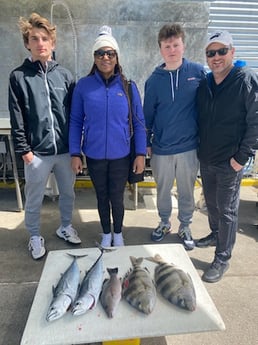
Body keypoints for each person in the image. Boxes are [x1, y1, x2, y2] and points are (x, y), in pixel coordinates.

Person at [8, 13, 81, 260]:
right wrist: (24, 150)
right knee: (34, 196)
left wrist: (75, 150)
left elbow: (74, 116)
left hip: (63, 151)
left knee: (68, 193)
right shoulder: (19, 76)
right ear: (27, 43)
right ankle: (35, 235)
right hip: (36, 152)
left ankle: (65, 227)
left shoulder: (66, 76)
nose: (40, 43)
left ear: (53, 43)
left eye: (45, 38)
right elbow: (16, 115)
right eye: (34, 39)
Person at [69, 25, 146, 247]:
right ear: (94, 57)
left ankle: (118, 233)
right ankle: (105, 233)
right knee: (101, 197)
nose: (105, 57)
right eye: (100, 53)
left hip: (121, 155)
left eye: (110, 53)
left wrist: (140, 153)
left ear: (116, 57)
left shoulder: (128, 86)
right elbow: (75, 121)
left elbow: (139, 123)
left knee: (117, 197)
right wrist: (75, 152)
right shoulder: (83, 86)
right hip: (94, 155)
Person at [196, 30, 258, 282]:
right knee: (211, 204)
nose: (216, 57)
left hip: (230, 162)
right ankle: (214, 234)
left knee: (227, 211)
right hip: (207, 158)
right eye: (211, 53)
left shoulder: (245, 79)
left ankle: (222, 258)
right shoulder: (206, 83)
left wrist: (241, 157)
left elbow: (255, 122)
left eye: (222, 51)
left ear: (232, 52)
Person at [143, 24, 205, 250]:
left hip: (189, 147)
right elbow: (147, 115)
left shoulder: (197, 73)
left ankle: (185, 225)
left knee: (187, 190)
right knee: (162, 190)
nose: (172, 50)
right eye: (167, 46)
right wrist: (146, 144)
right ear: (160, 49)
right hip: (161, 148)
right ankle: (164, 222)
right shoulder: (154, 80)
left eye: (175, 45)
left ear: (183, 45)